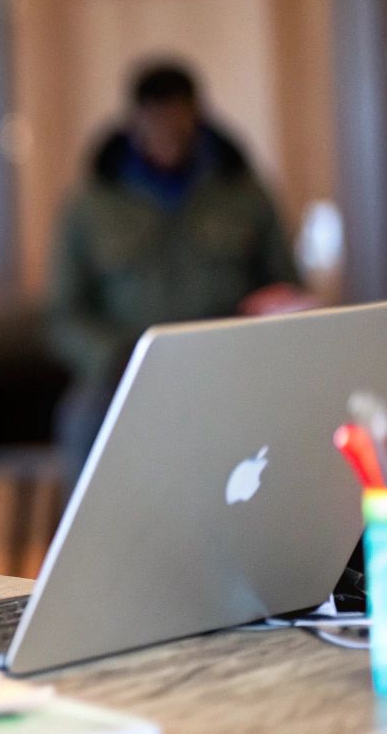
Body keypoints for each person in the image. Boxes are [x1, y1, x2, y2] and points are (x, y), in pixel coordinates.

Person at [47, 58, 310, 485]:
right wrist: (113, 357)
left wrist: (268, 318)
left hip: (230, 361)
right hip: (125, 367)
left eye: (177, 118)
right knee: (83, 420)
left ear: (197, 116)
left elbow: (286, 285)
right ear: (134, 121)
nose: (166, 132)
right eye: (154, 119)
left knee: (299, 416)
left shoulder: (244, 193)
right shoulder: (89, 203)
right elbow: (63, 312)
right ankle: (96, 547)